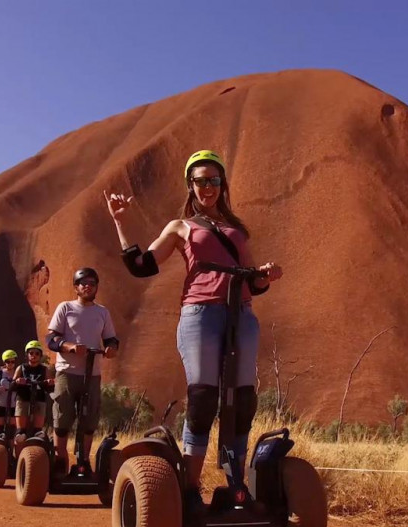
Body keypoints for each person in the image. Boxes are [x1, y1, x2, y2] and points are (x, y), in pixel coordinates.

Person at [104, 149, 283, 499]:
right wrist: (121, 223)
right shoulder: (180, 227)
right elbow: (142, 265)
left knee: (242, 400)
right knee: (203, 399)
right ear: (190, 185)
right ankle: (189, 488)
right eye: (201, 180)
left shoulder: (236, 230)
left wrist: (267, 275)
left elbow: (253, 283)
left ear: (222, 184)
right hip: (200, 314)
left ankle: (236, 486)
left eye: (214, 180)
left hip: (241, 314)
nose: (208, 187)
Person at [45, 268, 119, 477]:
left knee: (89, 419)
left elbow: (111, 338)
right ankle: (61, 460)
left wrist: (112, 348)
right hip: (67, 372)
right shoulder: (65, 308)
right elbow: (51, 339)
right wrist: (69, 346)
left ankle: (84, 462)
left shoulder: (102, 312)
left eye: (92, 283)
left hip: (92, 373)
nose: (88, 286)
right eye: (83, 282)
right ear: (76, 287)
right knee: (63, 417)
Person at [12, 340, 54, 447]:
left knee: (38, 433)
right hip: (23, 399)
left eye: (37, 353)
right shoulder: (21, 368)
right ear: (27, 355)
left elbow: (51, 386)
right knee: (20, 434)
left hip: (39, 399)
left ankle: (37, 446)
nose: (34, 356)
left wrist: (50, 383)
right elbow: (12, 385)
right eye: (31, 353)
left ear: (40, 355)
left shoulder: (45, 369)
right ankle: (18, 456)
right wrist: (17, 381)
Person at [0, 350, 18, 438]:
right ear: (4, 362)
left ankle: (10, 451)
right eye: (8, 361)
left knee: (11, 432)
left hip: (13, 406)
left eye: (12, 361)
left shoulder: (19, 373)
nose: (10, 364)